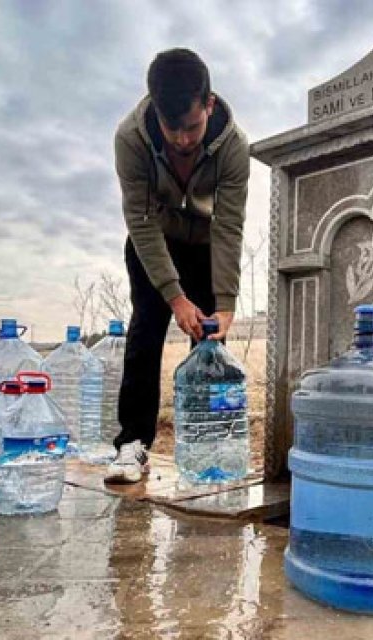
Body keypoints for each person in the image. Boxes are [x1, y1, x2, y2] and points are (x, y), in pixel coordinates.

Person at [106, 48, 249, 483]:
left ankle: (205, 446)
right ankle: (132, 444)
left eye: (192, 126)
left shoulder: (235, 147)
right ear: (155, 111)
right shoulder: (130, 139)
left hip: (207, 244)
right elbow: (141, 222)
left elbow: (228, 225)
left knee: (208, 342)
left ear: (208, 104)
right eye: (172, 129)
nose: (184, 140)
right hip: (155, 240)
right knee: (146, 327)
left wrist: (225, 302)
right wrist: (174, 296)